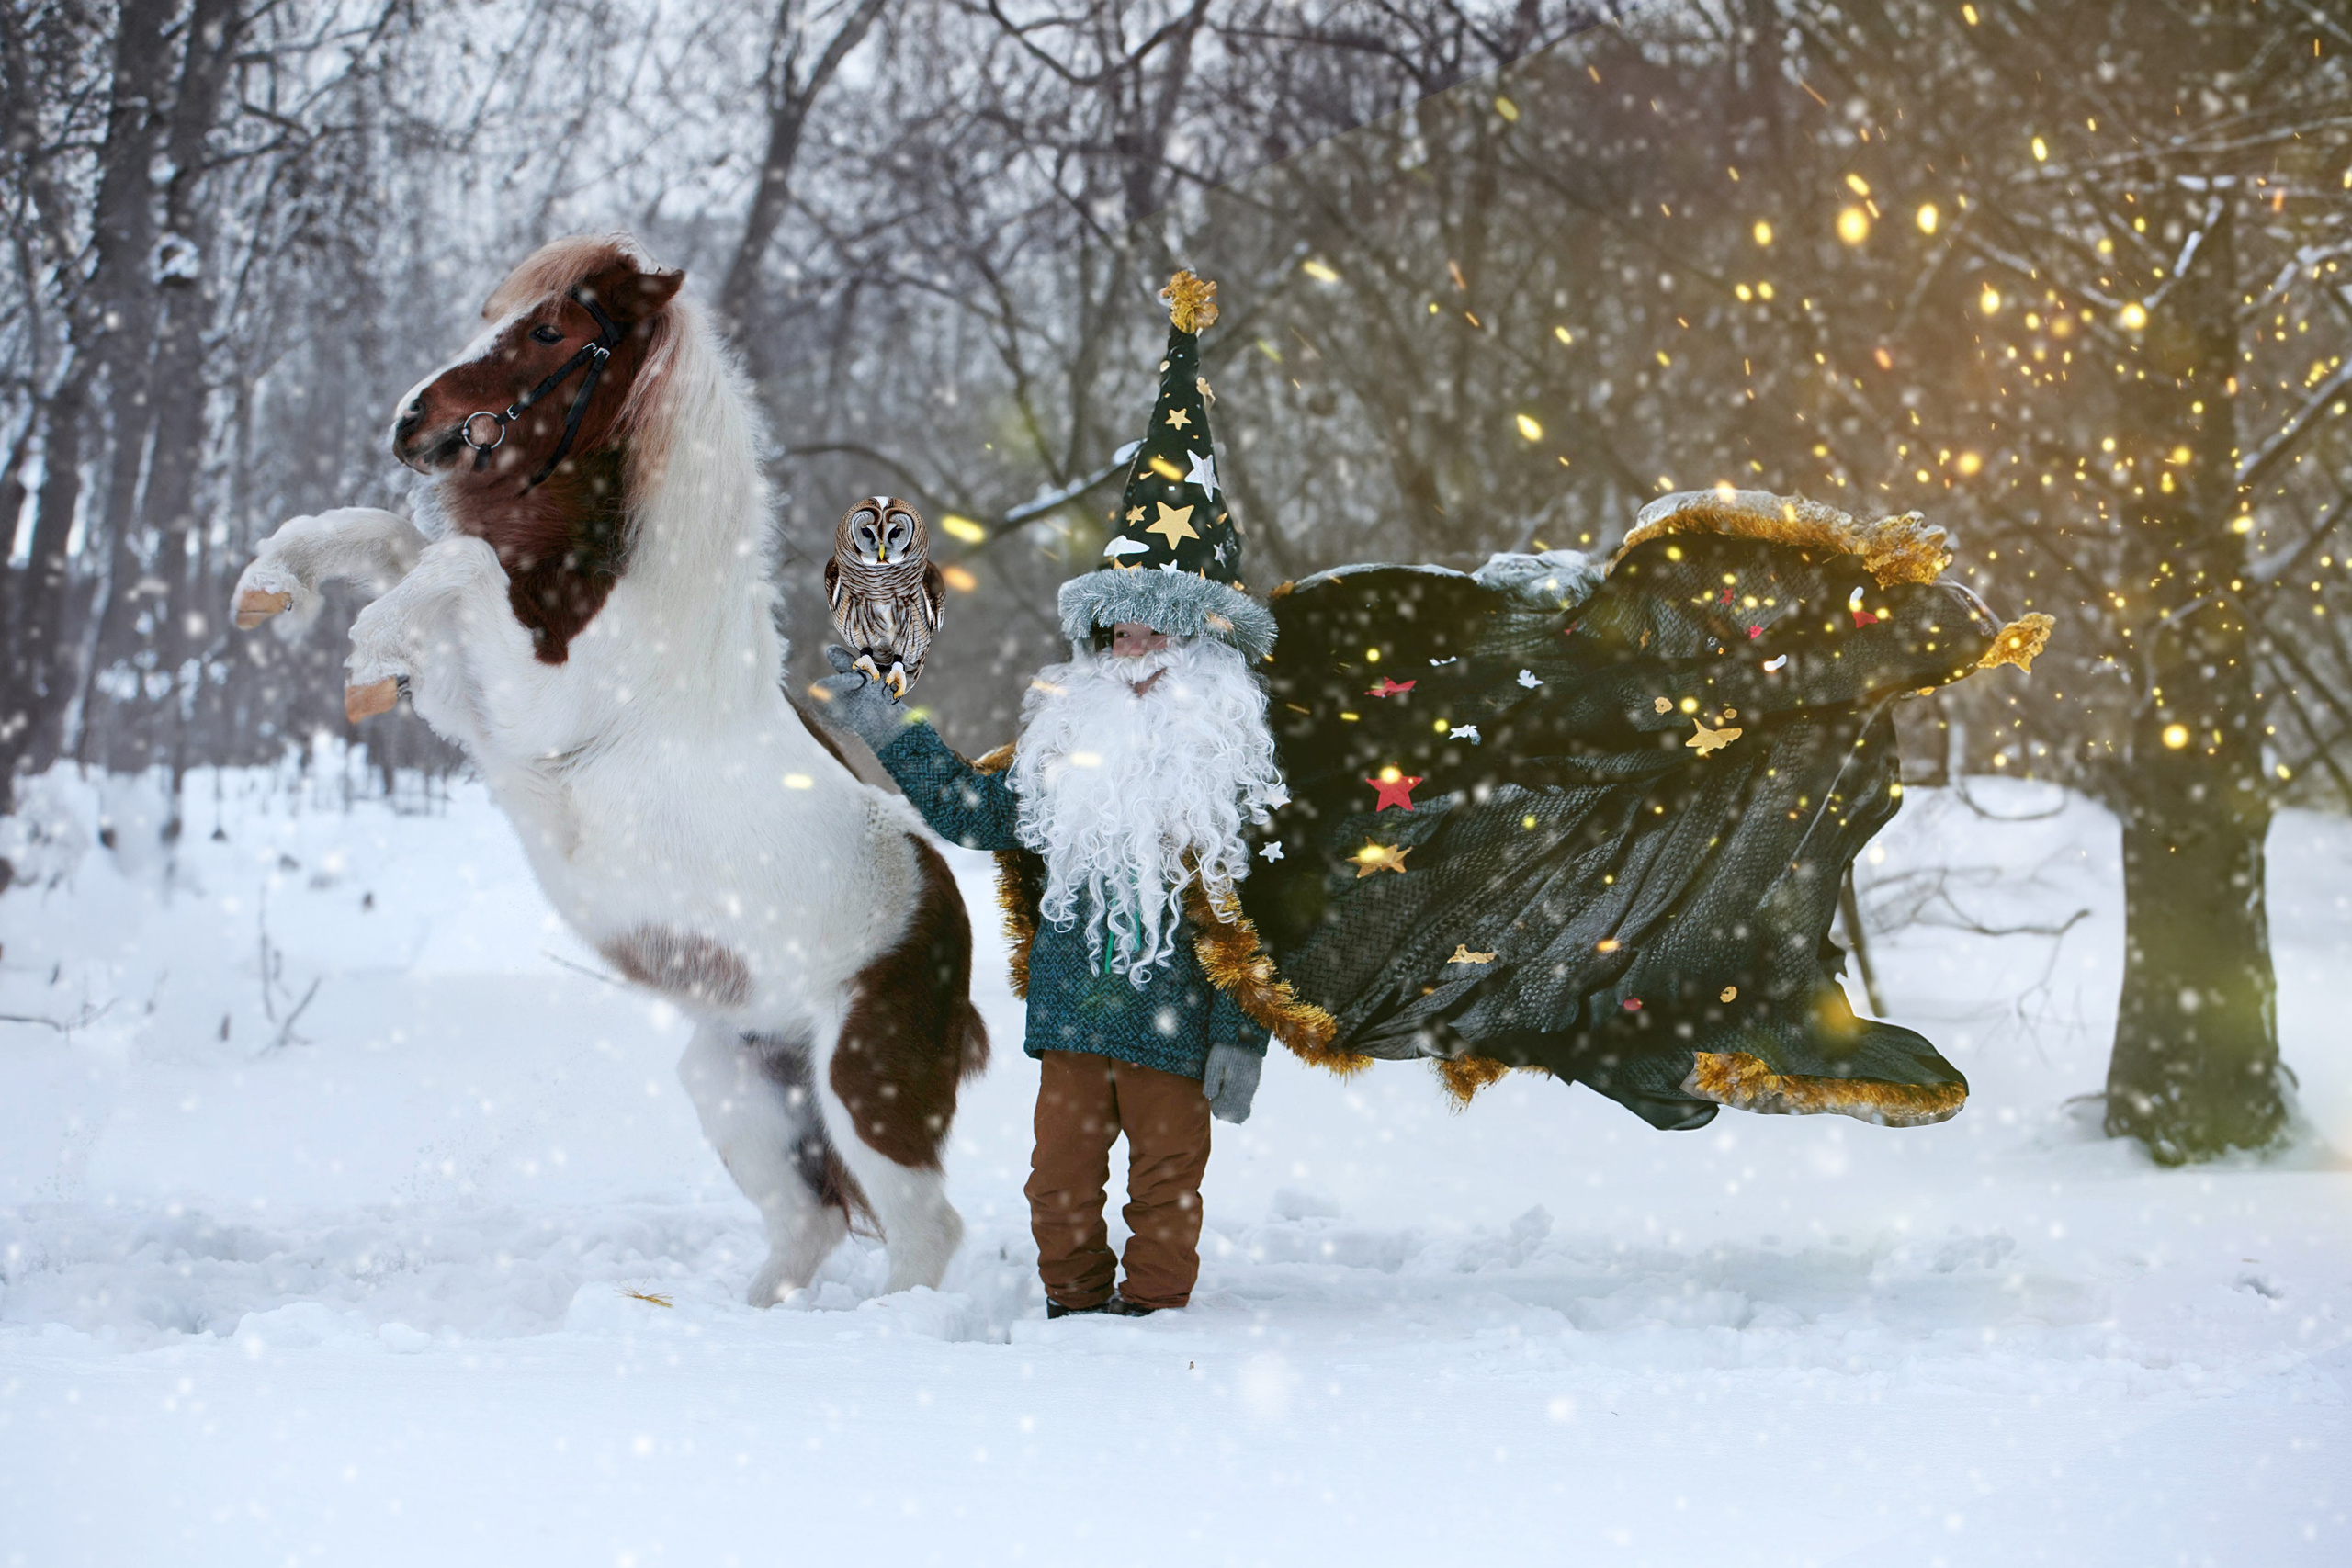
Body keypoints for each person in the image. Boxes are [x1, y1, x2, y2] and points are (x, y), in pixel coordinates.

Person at [816, 271, 1284, 1318]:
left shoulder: (1232, 776)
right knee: (1056, 1189)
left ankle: (1153, 1319)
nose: (1132, 648)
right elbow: (979, 817)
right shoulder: (1065, 750)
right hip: (1074, 1022)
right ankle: (1075, 1313)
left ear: (1202, 640)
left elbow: (1263, 917)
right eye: (1115, 628)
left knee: (1167, 1189)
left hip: (1178, 1027)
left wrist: (1239, 1037)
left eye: (1154, 627)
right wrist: (896, 732)